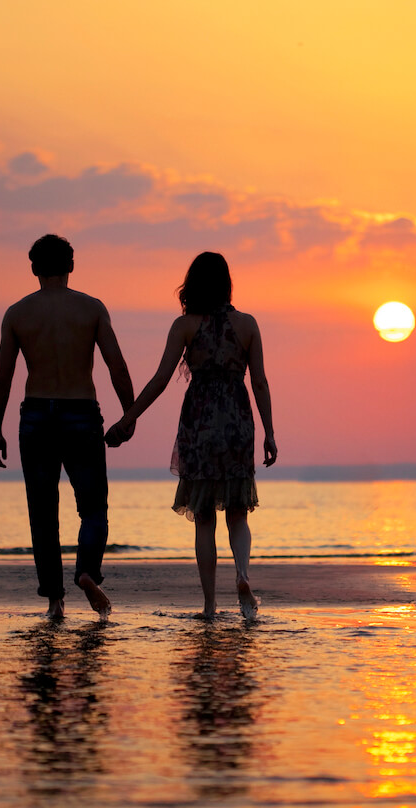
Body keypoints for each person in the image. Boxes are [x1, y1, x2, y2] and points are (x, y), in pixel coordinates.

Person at [107, 252, 277, 619]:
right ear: (227, 284)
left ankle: (210, 605)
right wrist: (270, 433)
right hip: (237, 420)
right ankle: (243, 576)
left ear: (193, 284)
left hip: (199, 423)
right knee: (238, 512)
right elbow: (260, 382)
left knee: (203, 517)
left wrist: (128, 419)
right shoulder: (247, 324)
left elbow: (160, 380)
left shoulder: (184, 326)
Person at [0, 234, 134, 619]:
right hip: (80, 412)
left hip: (36, 414)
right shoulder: (91, 309)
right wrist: (129, 414)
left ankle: (55, 600)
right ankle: (86, 572)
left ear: (35, 269)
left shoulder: (18, 314)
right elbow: (115, 365)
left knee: (42, 510)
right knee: (92, 508)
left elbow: (2, 378)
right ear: (71, 266)